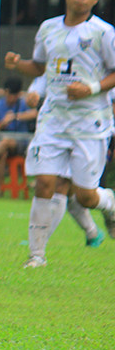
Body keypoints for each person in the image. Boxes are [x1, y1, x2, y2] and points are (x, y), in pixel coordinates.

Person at [4, 0, 115, 268]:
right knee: (44, 183)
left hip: (90, 124)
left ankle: (109, 205)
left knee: (84, 197)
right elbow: (40, 66)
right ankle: (36, 256)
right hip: (53, 120)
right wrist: (18, 64)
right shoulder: (48, 28)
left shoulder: (103, 34)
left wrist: (91, 88)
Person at [24, 75, 105, 247]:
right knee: (68, 192)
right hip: (58, 131)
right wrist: (34, 92)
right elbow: (45, 75)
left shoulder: (98, 62)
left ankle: (40, 241)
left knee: (76, 193)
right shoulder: (60, 58)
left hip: (88, 133)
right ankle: (92, 233)